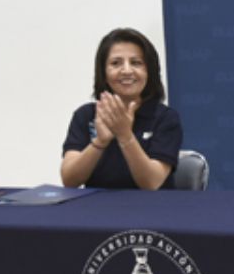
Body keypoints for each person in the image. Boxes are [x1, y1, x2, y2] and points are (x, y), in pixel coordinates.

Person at [61, 28, 182, 190]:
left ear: (149, 72)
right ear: (103, 73)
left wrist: (125, 135)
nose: (126, 71)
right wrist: (100, 142)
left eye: (136, 63)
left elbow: (151, 183)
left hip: (153, 210)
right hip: (96, 209)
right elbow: (69, 180)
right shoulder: (86, 115)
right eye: (115, 63)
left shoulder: (165, 118)